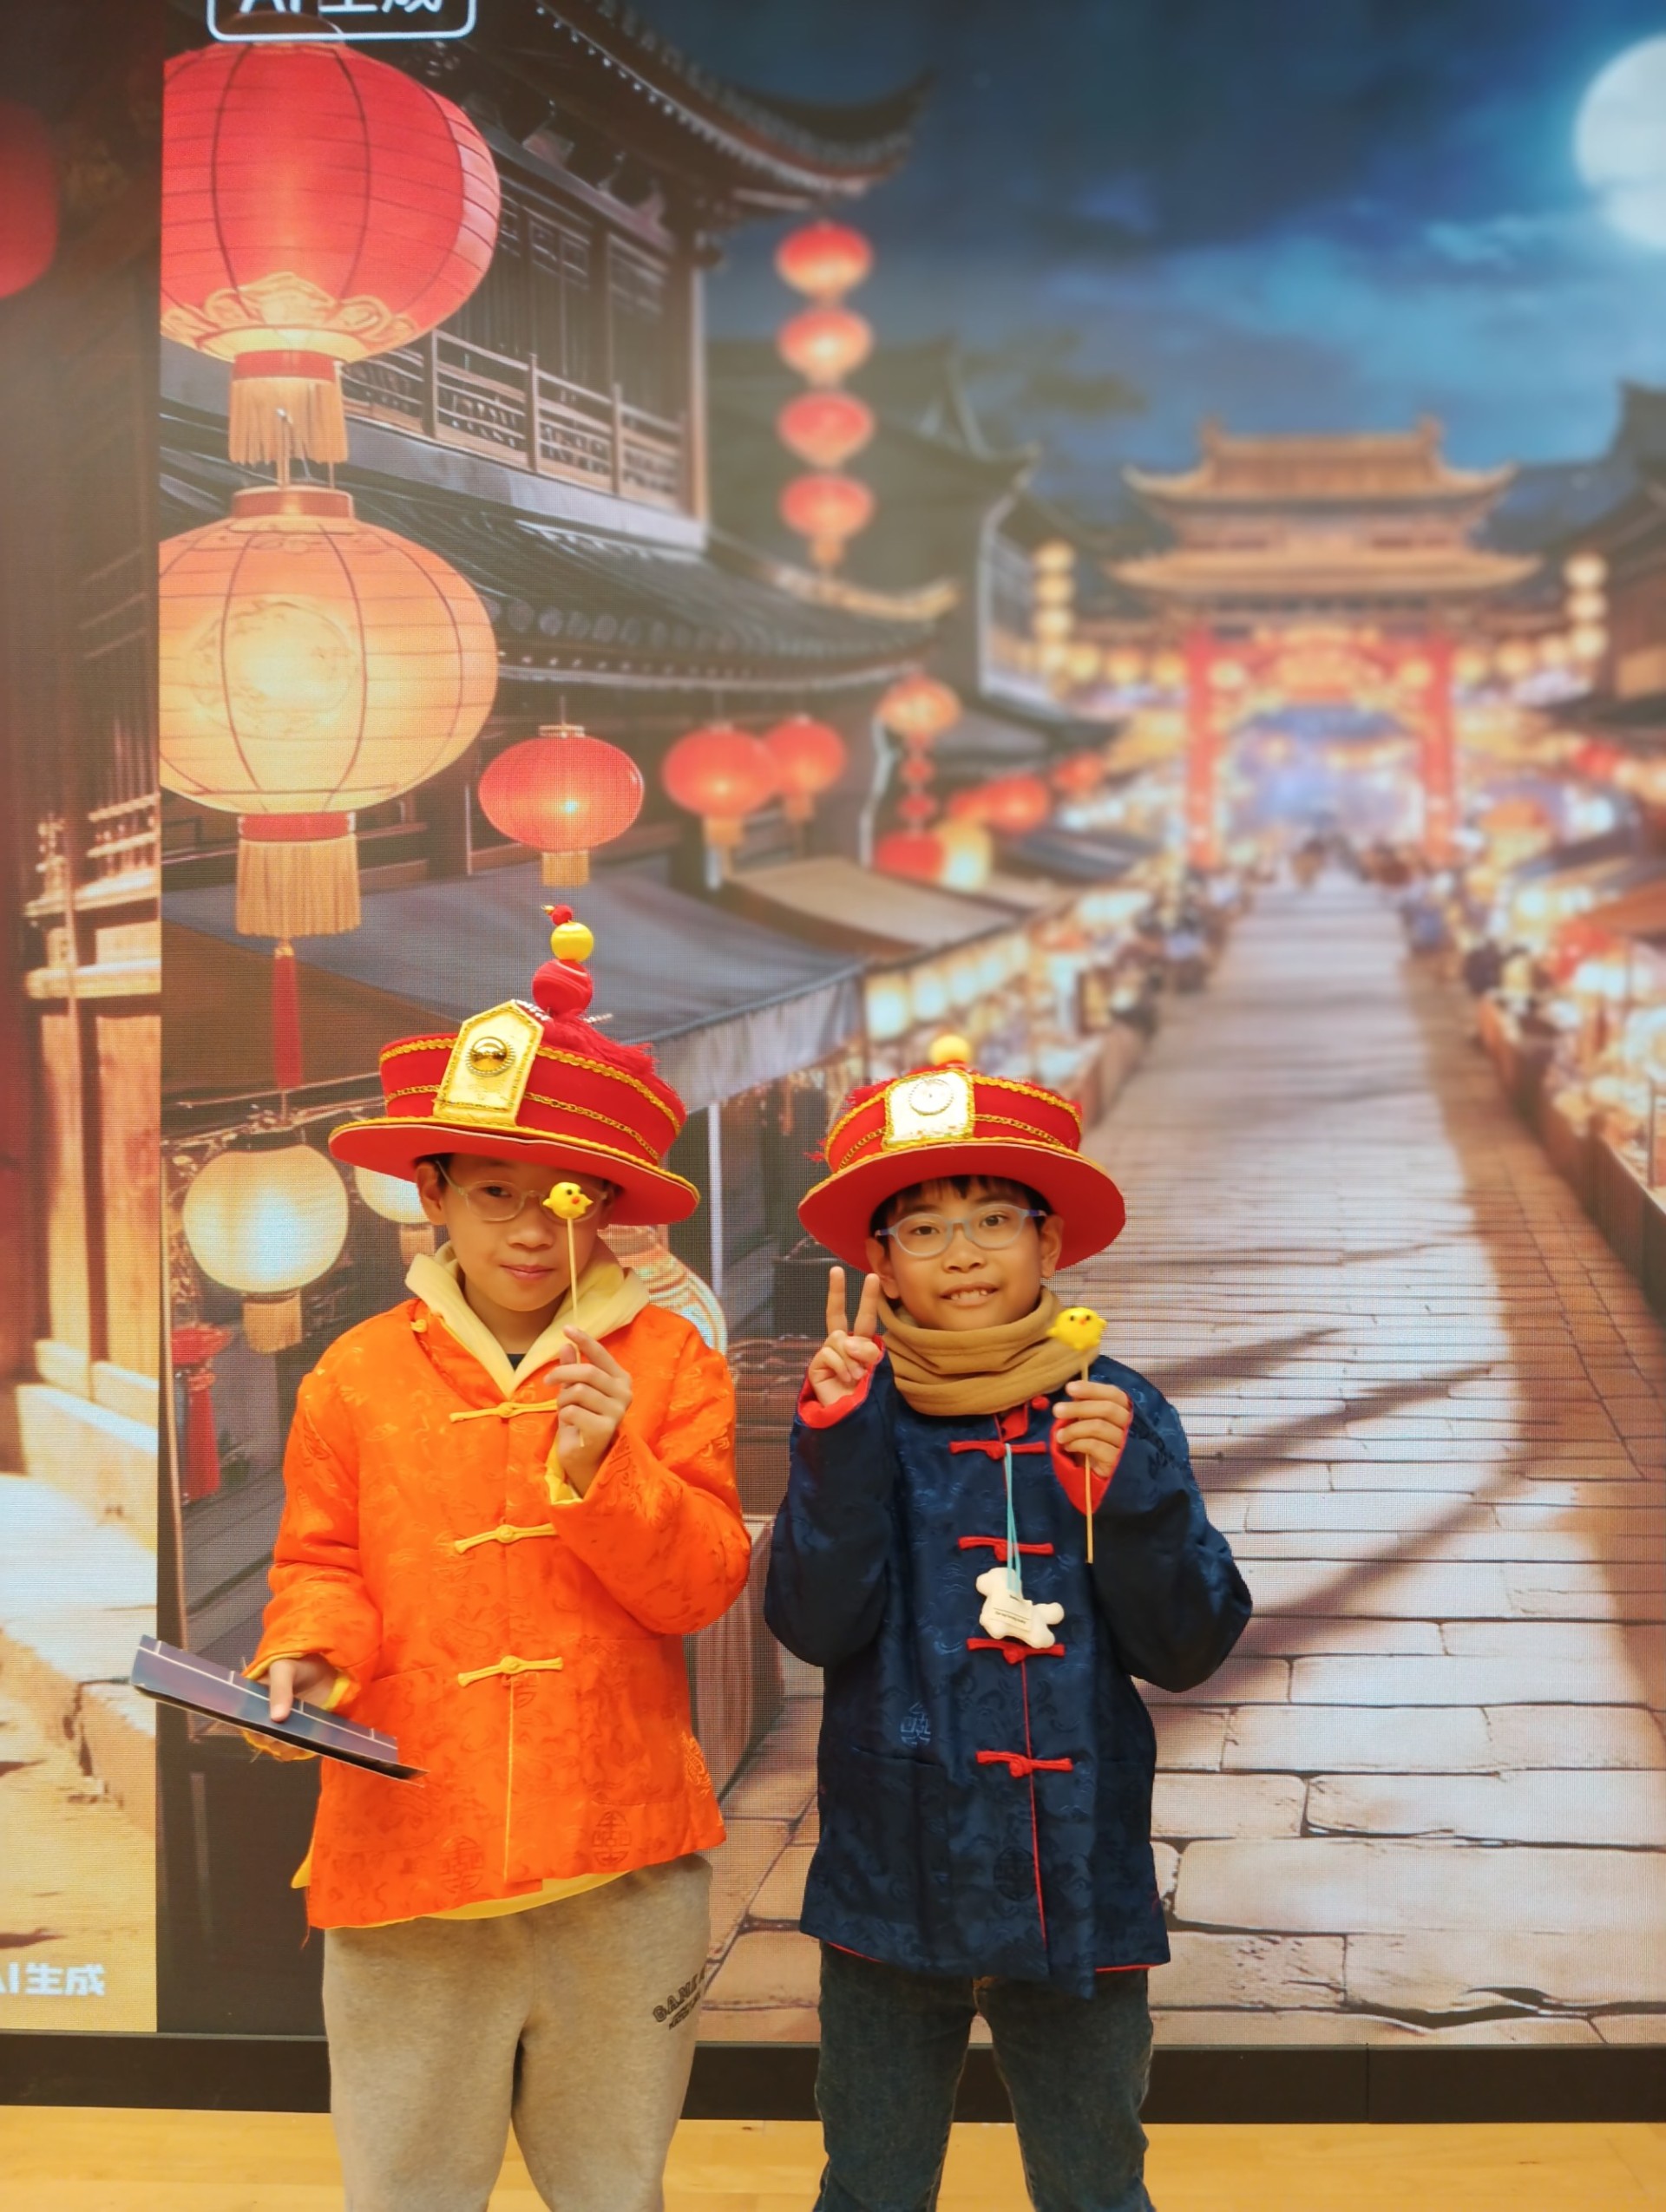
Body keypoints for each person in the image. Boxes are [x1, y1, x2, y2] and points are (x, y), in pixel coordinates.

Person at [245, 910, 750, 2212]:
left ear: (609, 1206)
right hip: (409, 1852)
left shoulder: (672, 1364)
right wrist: (306, 1655)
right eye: (494, 1193)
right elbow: (319, 1561)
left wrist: (608, 1465)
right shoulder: (353, 1374)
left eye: (563, 1198)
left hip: (621, 1859)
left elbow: (702, 1586)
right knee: (406, 2192)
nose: (530, 1231)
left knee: (615, 2190)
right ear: (433, 1194)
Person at [767, 1041, 1251, 2212]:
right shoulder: (853, 1405)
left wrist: (1131, 1496)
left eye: (994, 1218)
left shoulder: (1115, 1406)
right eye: (924, 1227)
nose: (963, 1252)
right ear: (879, 1261)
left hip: (1074, 1872)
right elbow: (813, 1624)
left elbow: (1191, 1645)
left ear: (1051, 1241)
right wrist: (837, 1448)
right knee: (871, 2188)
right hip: (892, 1874)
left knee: (1095, 2186)